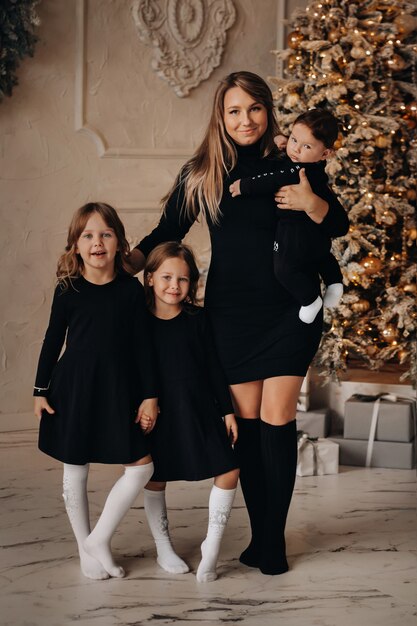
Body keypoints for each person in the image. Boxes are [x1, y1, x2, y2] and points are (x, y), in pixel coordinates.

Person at [129, 71, 349, 575]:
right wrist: (129, 263)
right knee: (247, 427)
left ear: (268, 112)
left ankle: (272, 541)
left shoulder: (292, 160)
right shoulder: (204, 171)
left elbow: (334, 217)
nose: (244, 119)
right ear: (220, 117)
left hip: (290, 311)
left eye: (253, 108)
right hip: (230, 315)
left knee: (277, 420)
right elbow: (169, 228)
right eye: (233, 110)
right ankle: (259, 536)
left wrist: (312, 204)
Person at [33, 202, 158, 580]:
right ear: (75, 245)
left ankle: (99, 538)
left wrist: (150, 395)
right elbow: (52, 339)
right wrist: (40, 389)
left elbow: (143, 347)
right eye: (87, 235)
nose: (97, 241)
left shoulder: (130, 291)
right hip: (74, 388)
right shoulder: (67, 289)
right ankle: (83, 547)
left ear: (120, 243)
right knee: (76, 467)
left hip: (120, 389)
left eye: (105, 233)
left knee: (142, 466)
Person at [139, 241, 239, 583]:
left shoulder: (198, 318)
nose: (174, 286)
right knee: (154, 476)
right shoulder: (137, 321)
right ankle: (162, 545)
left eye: (183, 279)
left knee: (228, 468)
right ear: (150, 278)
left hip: (199, 406)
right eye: (166, 277)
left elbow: (213, 366)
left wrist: (227, 411)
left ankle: (211, 546)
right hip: (159, 411)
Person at [229, 108, 344, 324]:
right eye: (294, 140)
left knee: (284, 268)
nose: (296, 150)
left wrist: (244, 186)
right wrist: (284, 140)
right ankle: (335, 282)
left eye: (306, 146)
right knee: (321, 253)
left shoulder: (300, 170)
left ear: (326, 154)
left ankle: (310, 300)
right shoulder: (314, 167)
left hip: (293, 229)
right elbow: (290, 149)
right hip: (314, 231)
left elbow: (272, 179)